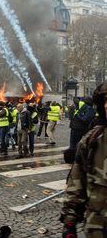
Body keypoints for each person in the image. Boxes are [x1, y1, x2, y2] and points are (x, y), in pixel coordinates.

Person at [61, 82, 107, 238]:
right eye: (106, 101)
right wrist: (69, 223)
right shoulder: (92, 140)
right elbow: (77, 183)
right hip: (96, 229)